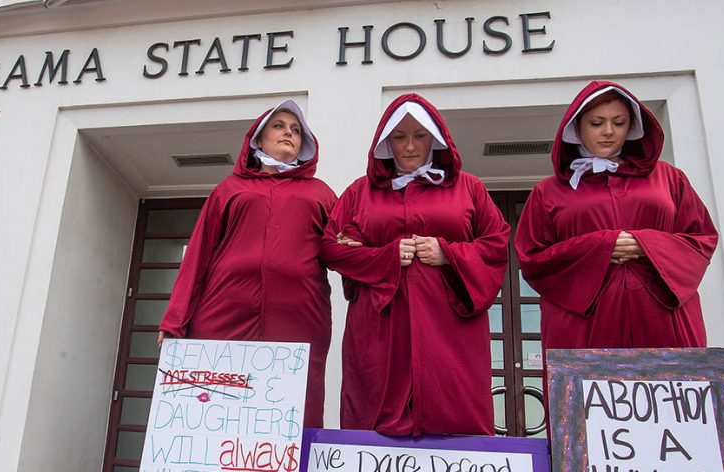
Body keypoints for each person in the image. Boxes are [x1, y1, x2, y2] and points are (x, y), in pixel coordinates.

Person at [321, 93, 510, 437]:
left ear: (435, 140)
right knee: (372, 416)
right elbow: (330, 247)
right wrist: (384, 256)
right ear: (386, 142)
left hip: (450, 324)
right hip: (380, 323)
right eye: (399, 137)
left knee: (454, 413)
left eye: (420, 136)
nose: (410, 146)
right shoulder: (359, 193)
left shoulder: (469, 188)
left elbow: (496, 242)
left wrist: (448, 253)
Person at [158, 100, 336, 428]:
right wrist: (175, 319)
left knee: (293, 405)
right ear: (258, 139)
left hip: (298, 316)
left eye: (296, 130)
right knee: (217, 401)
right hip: (224, 313)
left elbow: (341, 247)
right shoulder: (229, 189)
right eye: (279, 126)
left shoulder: (321, 193)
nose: (288, 133)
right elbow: (198, 254)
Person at [514, 80, 718, 351]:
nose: (608, 132)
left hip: (664, 316)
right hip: (585, 323)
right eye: (596, 123)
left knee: (667, 386)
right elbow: (532, 258)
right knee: (589, 392)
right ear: (576, 128)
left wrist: (646, 245)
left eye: (619, 123)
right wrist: (601, 247)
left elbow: (701, 239)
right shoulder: (548, 192)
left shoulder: (668, 178)